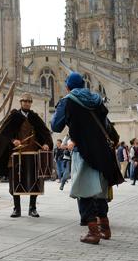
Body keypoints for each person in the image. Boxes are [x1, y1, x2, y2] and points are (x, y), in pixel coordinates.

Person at [51, 72, 124, 245]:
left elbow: (55, 125)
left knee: (84, 191)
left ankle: (93, 232)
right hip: (102, 151)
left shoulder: (68, 101)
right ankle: (105, 229)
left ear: (68, 87)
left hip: (83, 151)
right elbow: (106, 124)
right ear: (84, 86)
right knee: (99, 192)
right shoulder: (97, 100)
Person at [0, 92, 53, 218]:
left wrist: (46, 143)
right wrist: (13, 140)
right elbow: (4, 134)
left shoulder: (35, 117)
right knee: (15, 181)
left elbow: (44, 132)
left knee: (35, 181)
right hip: (16, 154)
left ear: (31, 103)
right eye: (24, 101)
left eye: (29, 101)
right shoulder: (14, 117)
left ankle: (33, 208)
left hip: (33, 154)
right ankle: (16, 209)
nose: (26, 103)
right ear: (20, 102)